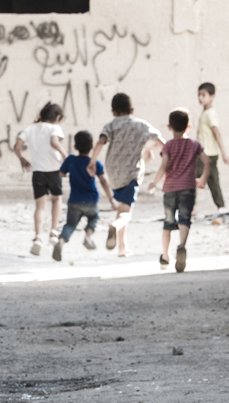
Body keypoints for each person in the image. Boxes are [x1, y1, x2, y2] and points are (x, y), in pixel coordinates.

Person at [93, 93, 159, 258]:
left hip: (114, 174)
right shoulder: (141, 125)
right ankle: (115, 226)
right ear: (132, 110)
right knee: (126, 213)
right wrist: (149, 149)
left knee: (122, 207)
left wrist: (92, 161)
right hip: (131, 173)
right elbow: (160, 140)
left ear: (112, 111)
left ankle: (122, 247)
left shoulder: (111, 126)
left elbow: (101, 141)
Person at [12, 102, 68, 256]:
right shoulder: (55, 128)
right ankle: (53, 232)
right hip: (54, 171)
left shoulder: (29, 129)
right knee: (56, 200)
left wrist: (21, 159)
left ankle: (37, 237)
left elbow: (17, 146)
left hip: (38, 172)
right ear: (57, 117)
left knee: (40, 206)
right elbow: (54, 142)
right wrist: (64, 155)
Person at [155, 109, 208, 272]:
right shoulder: (194, 145)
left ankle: (165, 255)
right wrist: (203, 178)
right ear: (188, 127)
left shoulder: (168, 146)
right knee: (185, 219)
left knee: (168, 221)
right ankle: (182, 246)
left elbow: (163, 166)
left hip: (170, 188)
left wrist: (153, 182)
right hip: (188, 187)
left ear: (169, 127)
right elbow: (207, 162)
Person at [51, 130, 105, 262]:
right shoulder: (95, 164)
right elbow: (104, 181)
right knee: (94, 217)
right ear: (92, 147)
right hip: (91, 200)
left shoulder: (71, 160)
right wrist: (111, 199)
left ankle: (61, 242)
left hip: (74, 200)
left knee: (70, 224)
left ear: (75, 147)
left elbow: (61, 174)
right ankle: (88, 237)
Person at [193, 82, 229, 210]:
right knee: (213, 181)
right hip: (210, 153)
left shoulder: (210, 114)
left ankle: (191, 207)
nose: (200, 98)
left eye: (204, 95)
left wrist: (224, 154)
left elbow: (217, 134)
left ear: (212, 96)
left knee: (195, 178)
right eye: (199, 95)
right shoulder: (205, 113)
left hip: (205, 154)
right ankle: (221, 206)